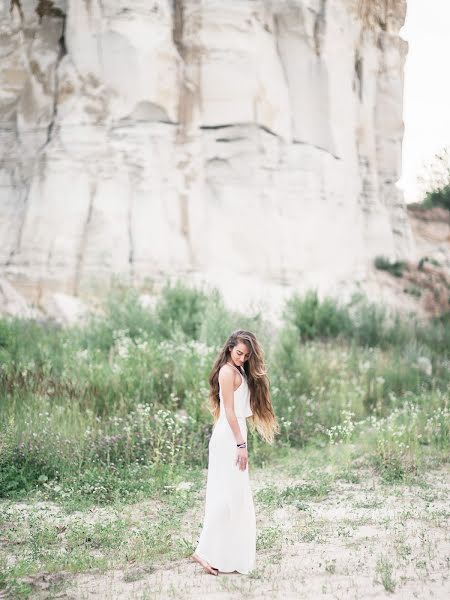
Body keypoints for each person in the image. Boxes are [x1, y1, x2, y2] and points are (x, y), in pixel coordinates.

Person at [191, 329, 279, 575]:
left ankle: (222, 554)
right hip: (229, 437)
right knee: (227, 496)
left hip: (236, 433)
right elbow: (229, 411)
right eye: (239, 353)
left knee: (236, 497)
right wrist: (241, 444)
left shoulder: (240, 370)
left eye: (246, 355)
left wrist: (242, 439)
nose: (242, 358)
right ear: (230, 348)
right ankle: (203, 551)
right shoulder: (227, 372)